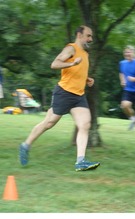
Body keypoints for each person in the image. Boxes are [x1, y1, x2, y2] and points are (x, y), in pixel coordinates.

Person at [19, 25, 100, 171]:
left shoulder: (85, 54)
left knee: (85, 124)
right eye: (88, 35)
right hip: (64, 92)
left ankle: (80, 161)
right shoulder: (71, 48)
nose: (90, 39)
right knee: (49, 123)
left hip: (79, 95)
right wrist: (72, 62)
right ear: (79, 35)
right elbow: (54, 64)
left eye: (91, 36)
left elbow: (77, 71)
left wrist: (87, 78)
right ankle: (25, 145)